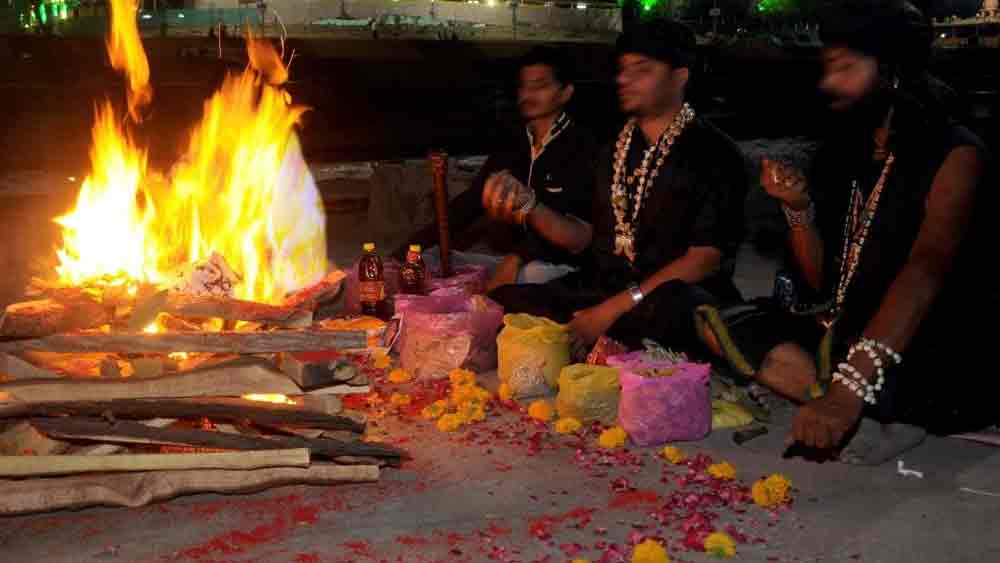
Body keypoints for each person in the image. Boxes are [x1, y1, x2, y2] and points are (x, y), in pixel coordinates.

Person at [700, 0, 997, 465]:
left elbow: (927, 268)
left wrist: (851, 385)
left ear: (892, 71)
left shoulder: (956, 154)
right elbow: (823, 282)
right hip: (845, 324)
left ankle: (846, 397)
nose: (828, 82)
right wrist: (798, 212)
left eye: (845, 68)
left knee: (912, 374)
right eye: (827, 67)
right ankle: (839, 394)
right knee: (705, 312)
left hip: (919, 335)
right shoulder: (845, 149)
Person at [488, 18, 747, 355]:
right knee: (504, 301)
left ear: (680, 76)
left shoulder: (715, 153)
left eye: (641, 70)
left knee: (676, 314)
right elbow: (585, 238)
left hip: (669, 297)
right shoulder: (614, 149)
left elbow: (705, 258)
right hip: (607, 286)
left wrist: (609, 312)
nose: (623, 79)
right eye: (622, 69)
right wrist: (530, 206)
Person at [397, 46, 599, 290]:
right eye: (524, 86)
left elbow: (572, 230)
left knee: (530, 277)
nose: (528, 94)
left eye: (540, 85)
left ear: (565, 93)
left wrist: (519, 257)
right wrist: (404, 253)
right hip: (506, 259)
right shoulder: (513, 142)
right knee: (424, 261)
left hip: (556, 265)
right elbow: (468, 204)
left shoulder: (582, 146)